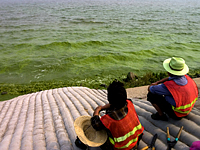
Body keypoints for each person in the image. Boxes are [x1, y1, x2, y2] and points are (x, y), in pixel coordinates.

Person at [92, 80, 144, 150]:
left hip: (120, 148)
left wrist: (97, 111)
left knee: (100, 137)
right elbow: (119, 102)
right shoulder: (129, 103)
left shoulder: (108, 119)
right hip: (134, 142)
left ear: (109, 99)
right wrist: (104, 107)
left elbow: (95, 124)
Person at [147, 57, 198, 121]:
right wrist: (159, 82)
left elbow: (151, 89)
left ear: (169, 72)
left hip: (176, 114)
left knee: (151, 95)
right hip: (187, 110)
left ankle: (161, 116)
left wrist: (153, 84)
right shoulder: (186, 77)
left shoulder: (169, 86)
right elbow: (170, 78)